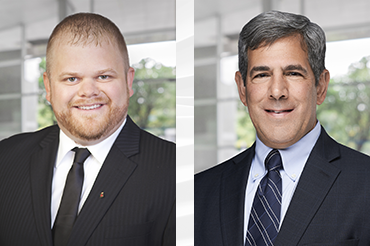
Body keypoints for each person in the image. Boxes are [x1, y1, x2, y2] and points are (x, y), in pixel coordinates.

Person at [195, 10, 370, 246]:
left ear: (320, 86)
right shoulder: (200, 191)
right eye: (262, 74)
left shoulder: (365, 182)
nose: (277, 91)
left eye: (293, 73)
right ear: (242, 89)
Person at [0, 13, 175, 246]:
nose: (88, 91)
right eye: (71, 79)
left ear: (128, 81)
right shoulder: (6, 157)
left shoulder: (175, 171)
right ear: (48, 87)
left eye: (103, 76)